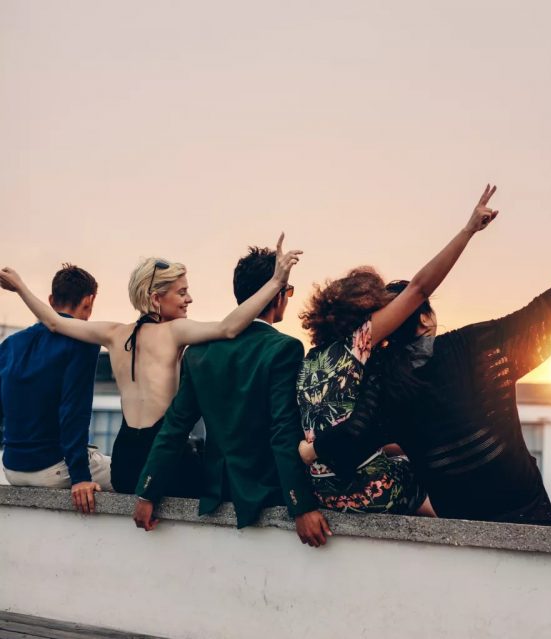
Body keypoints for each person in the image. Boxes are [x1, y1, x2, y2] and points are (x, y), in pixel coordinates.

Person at [300, 226, 551, 527]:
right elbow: (543, 309)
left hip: (458, 517)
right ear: (425, 319)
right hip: (522, 505)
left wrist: (309, 452)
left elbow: (355, 436)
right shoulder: (473, 346)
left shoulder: (383, 380)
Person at [0, 234, 301, 496]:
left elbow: (52, 321)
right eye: (182, 292)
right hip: (166, 461)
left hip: (125, 461)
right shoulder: (175, 333)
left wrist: (20, 287)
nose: (189, 299)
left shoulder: (113, 333)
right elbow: (229, 328)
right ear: (156, 298)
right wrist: (275, 282)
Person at [296, 185, 499, 516]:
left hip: (323, 492)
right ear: (366, 310)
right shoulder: (359, 342)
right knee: (426, 476)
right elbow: (419, 288)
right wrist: (467, 231)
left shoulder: (311, 360)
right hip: (367, 491)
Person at [133, 246, 331, 547]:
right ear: (275, 295)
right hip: (266, 491)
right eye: (287, 292)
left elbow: (175, 427)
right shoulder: (285, 349)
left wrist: (147, 491)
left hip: (215, 489)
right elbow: (283, 430)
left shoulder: (199, 352)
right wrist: (301, 504)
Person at [0, 264, 111, 514]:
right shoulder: (84, 340)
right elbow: (73, 411)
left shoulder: (11, 344)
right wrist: (81, 477)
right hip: (53, 468)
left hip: (12, 467)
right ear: (89, 300)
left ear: (51, 300)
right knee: (132, 475)